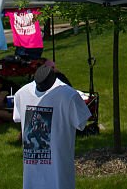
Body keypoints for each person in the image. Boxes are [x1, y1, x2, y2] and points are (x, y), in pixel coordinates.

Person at [13, 60, 89, 189]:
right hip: (32, 179)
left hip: (59, 178)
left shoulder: (69, 96)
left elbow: (81, 122)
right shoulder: (22, 94)